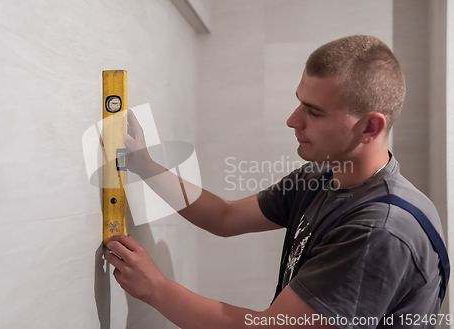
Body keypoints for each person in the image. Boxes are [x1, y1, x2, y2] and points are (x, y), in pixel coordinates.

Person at [106, 35, 447, 328]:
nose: (292, 120)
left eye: (313, 112)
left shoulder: (381, 232)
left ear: (370, 127)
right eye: (299, 102)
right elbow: (225, 217)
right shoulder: (323, 176)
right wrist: (146, 165)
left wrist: (155, 289)